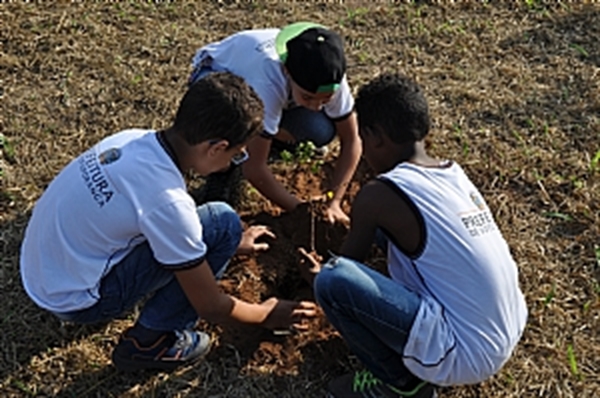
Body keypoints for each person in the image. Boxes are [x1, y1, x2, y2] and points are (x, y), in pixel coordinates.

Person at [20, 72, 316, 372]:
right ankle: (151, 342)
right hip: (78, 300)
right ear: (215, 147)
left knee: (217, 227)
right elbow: (210, 306)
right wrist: (265, 314)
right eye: (236, 155)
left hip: (41, 273)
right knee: (223, 222)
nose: (230, 164)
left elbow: (145, 214)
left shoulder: (131, 139)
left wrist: (227, 246)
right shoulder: (168, 203)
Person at [299, 73, 528, 397]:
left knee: (332, 281)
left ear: (373, 136)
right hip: (505, 328)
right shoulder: (453, 173)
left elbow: (345, 265)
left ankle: (401, 384)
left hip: (462, 354)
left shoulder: (378, 194)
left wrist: (315, 274)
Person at [188, 22, 361, 225]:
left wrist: (335, 201)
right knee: (232, 124)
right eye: (308, 98)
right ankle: (229, 164)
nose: (316, 107)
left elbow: (351, 140)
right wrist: (303, 212)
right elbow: (254, 168)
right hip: (214, 81)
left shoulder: (329, 72)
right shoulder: (266, 80)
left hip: (276, 96)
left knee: (320, 129)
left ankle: (267, 138)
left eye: (326, 100)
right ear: (287, 72)